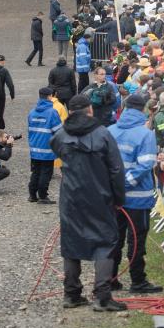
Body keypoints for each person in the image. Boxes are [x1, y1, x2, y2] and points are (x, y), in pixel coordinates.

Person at [50, 94, 126, 311]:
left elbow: (54, 145)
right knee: (105, 240)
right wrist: (119, 198)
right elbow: (116, 169)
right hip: (99, 196)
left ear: (71, 112)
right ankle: (102, 296)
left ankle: (71, 293)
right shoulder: (103, 134)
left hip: (72, 196)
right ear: (90, 110)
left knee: (71, 242)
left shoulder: (61, 135)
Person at [108, 93, 163, 293]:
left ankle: (110, 279)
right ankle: (137, 281)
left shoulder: (110, 131)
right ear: (143, 110)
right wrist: (126, 184)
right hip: (137, 198)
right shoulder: (145, 134)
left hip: (114, 197)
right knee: (137, 240)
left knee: (114, 238)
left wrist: (115, 186)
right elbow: (146, 164)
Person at [27, 87, 61, 203]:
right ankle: (43, 196)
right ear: (49, 96)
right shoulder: (52, 112)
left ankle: (32, 195)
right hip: (47, 148)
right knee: (46, 173)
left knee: (36, 171)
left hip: (34, 148)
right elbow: (58, 131)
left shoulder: (32, 112)